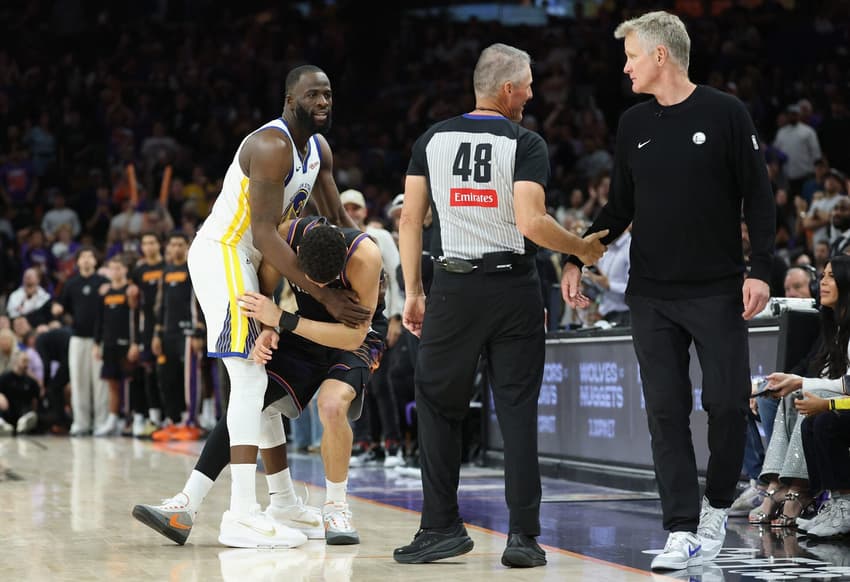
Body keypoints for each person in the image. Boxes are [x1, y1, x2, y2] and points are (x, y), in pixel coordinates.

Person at [561, 11, 775, 571]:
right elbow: (618, 208)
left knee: (727, 404)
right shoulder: (633, 122)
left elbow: (759, 196)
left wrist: (760, 269)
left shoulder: (726, 113)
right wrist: (576, 255)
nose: (625, 67)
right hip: (651, 294)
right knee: (665, 411)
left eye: (631, 55)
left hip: (717, 288)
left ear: (660, 55)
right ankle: (681, 527)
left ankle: (717, 506)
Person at [394, 43, 606, 568]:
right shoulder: (525, 142)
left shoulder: (431, 139)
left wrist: (414, 291)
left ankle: (441, 527)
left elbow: (410, 220)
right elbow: (532, 223)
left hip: (454, 287)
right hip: (514, 289)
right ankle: (523, 538)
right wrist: (581, 248)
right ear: (508, 89)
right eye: (528, 86)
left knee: (438, 406)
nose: (531, 95)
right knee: (516, 411)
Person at [185, 64, 369, 548]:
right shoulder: (271, 145)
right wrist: (326, 294)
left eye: (328, 93)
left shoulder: (318, 149)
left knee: (260, 377)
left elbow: (336, 216)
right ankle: (241, 514)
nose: (323, 102)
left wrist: (368, 260)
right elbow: (266, 233)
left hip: (257, 263)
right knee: (249, 375)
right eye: (312, 95)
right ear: (290, 100)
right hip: (227, 252)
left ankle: (281, 503)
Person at [133, 216, 385, 547]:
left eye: (326, 285)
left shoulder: (366, 256)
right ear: (297, 258)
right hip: (305, 329)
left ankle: (336, 508)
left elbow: (353, 337)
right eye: (312, 283)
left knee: (331, 405)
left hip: (354, 338)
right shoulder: (286, 236)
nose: (319, 290)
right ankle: (190, 504)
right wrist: (267, 329)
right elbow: (265, 288)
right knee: (254, 398)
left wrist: (282, 319)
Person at [757, 256, 850, 536]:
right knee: (787, 397)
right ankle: (777, 484)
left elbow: (846, 383)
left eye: (831, 276)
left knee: (815, 406)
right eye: (822, 276)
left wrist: (818, 396)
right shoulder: (831, 325)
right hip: (841, 398)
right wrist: (791, 382)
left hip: (842, 401)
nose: (823, 282)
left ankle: (802, 490)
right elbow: (812, 368)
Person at [53, 247, 109, 436]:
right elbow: (61, 305)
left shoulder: (103, 283)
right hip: (77, 337)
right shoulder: (71, 284)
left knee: (100, 382)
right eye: (82, 257)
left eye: (89, 256)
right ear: (77, 262)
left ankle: (101, 422)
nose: (86, 260)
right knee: (78, 381)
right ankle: (81, 422)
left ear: (95, 260)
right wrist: (57, 309)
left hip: (99, 339)